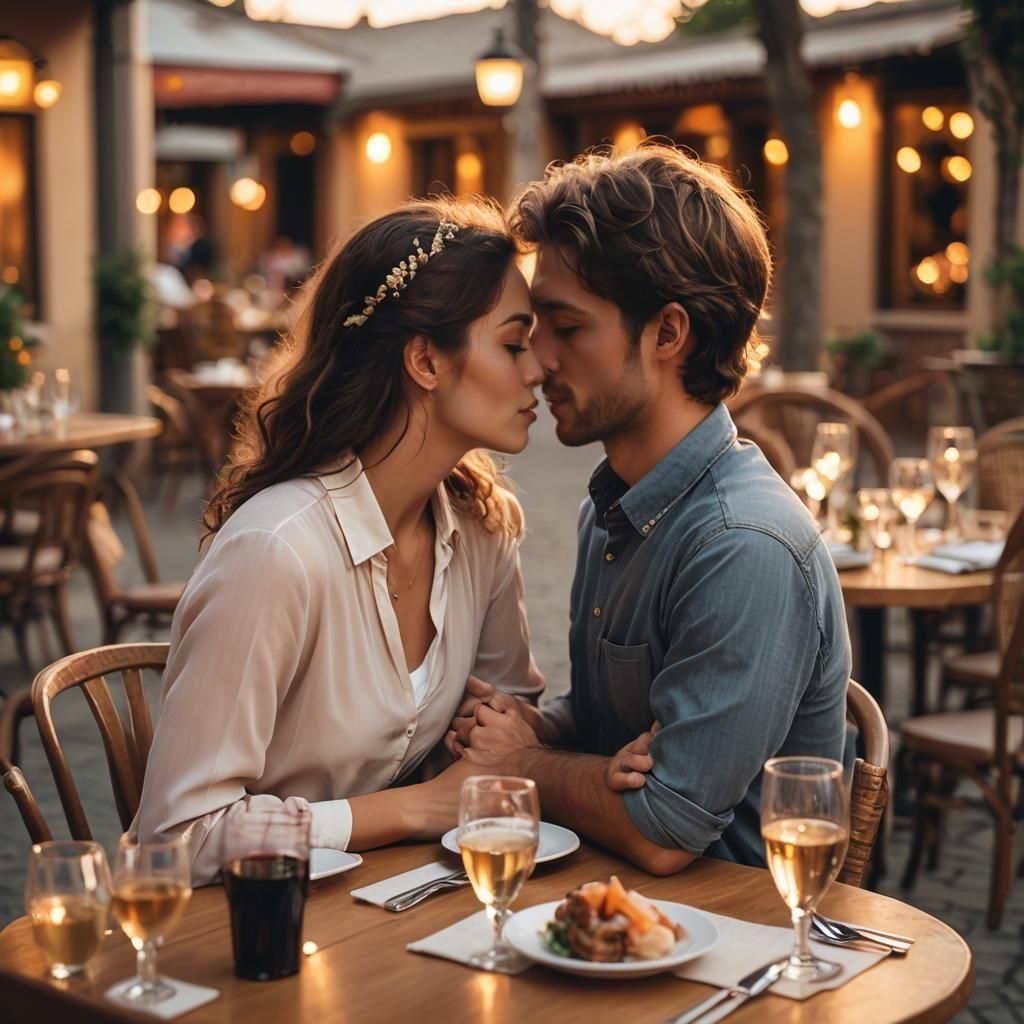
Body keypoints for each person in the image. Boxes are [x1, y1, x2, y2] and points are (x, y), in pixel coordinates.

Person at [448, 145, 851, 874]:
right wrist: (535, 725)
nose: (537, 360)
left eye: (567, 328)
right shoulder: (612, 507)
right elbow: (606, 722)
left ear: (668, 333)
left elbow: (664, 830)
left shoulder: (743, 544)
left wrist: (522, 762)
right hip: (602, 901)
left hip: (734, 929)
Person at [136, 195, 545, 883]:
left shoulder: (482, 527)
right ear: (425, 360)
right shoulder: (277, 551)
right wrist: (414, 808)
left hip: (396, 905)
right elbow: (176, 836)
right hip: (246, 922)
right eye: (513, 345)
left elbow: (513, 719)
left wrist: (520, 733)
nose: (537, 370)